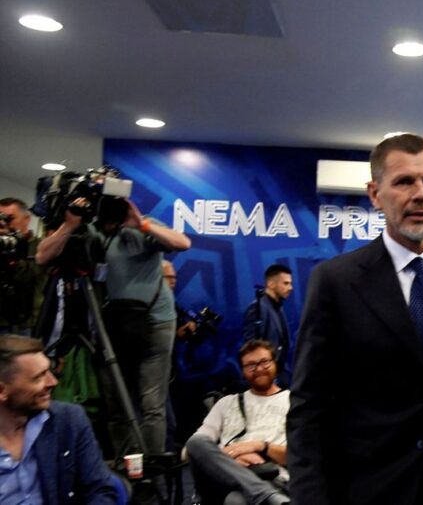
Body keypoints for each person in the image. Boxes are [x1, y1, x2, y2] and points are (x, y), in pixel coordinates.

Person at [287, 133, 423, 505]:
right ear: (375, 194)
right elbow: (310, 404)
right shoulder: (336, 280)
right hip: (373, 485)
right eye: (404, 182)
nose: (420, 194)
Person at [36, 196, 192, 457]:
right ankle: (127, 463)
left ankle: (151, 468)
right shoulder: (89, 231)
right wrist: (70, 225)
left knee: (152, 403)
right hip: (112, 323)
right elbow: (42, 257)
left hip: (155, 321)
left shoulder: (143, 225)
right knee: (116, 402)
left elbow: (183, 243)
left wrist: (141, 224)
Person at [0, 334, 117, 504]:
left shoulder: (68, 421)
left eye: (50, 370)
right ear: (2, 391)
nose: (53, 382)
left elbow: (100, 490)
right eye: (38, 378)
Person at [186, 340, 289, 505]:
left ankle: (266, 494)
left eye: (264, 362)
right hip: (224, 480)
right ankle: (267, 496)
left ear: (275, 363)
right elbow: (189, 452)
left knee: (236, 501)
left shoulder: (292, 402)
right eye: (251, 365)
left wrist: (260, 446)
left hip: (272, 476)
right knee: (195, 442)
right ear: (243, 371)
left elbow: (301, 457)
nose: (259, 369)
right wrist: (230, 460)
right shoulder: (226, 403)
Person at [242, 265, 294, 387]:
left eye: (290, 283)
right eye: (286, 283)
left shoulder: (278, 307)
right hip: (267, 380)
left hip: (281, 376)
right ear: (271, 284)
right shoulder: (258, 307)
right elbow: (251, 347)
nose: (290, 288)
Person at [0, 197, 46, 335]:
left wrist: (15, 247)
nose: (3, 223)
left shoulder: (41, 247)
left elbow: (27, 277)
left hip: (24, 324)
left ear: (26, 219)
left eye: (10, 218)